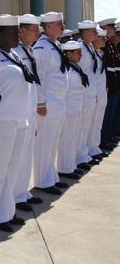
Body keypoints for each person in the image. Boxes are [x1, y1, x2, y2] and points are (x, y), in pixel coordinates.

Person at [0, 14, 34, 232]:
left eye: (17, 31)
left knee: (12, 169)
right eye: (13, 32)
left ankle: (8, 210)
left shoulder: (13, 54)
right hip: (3, 120)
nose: (17, 35)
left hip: (20, 118)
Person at [32, 12, 69, 195]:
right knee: (45, 143)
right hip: (49, 101)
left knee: (53, 142)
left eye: (62, 23)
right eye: (58, 24)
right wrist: (40, 102)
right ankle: (43, 181)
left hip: (59, 100)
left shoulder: (55, 45)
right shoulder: (42, 48)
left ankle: (50, 176)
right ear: (47, 27)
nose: (62, 26)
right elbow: (38, 76)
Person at [14, 14, 44, 212]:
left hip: (30, 108)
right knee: (17, 158)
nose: (38, 32)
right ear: (22, 31)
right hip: (19, 111)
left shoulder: (29, 50)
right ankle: (15, 197)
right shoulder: (15, 51)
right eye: (34, 29)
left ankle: (22, 192)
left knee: (26, 155)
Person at [57, 40, 88, 179]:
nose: (80, 55)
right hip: (69, 108)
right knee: (67, 139)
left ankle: (71, 165)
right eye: (78, 53)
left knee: (74, 137)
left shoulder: (75, 67)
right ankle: (65, 168)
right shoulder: (65, 69)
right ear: (68, 54)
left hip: (77, 106)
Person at [75, 20, 100, 169]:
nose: (96, 34)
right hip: (82, 93)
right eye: (93, 31)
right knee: (81, 127)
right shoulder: (79, 48)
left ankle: (84, 154)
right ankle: (79, 157)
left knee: (86, 126)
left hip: (90, 91)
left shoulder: (89, 47)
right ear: (85, 32)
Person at [98, 18, 120, 151]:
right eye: (110, 27)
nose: (113, 29)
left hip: (114, 85)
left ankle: (108, 137)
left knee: (111, 115)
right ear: (104, 28)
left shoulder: (111, 46)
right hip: (108, 85)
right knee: (106, 116)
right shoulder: (104, 46)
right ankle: (103, 141)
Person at [88, 26, 109, 159]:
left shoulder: (99, 54)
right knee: (90, 124)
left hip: (100, 93)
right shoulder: (91, 54)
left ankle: (94, 147)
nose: (104, 41)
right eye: (102, 38)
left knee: (97, 124)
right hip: (93, 93)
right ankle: (89, 149)